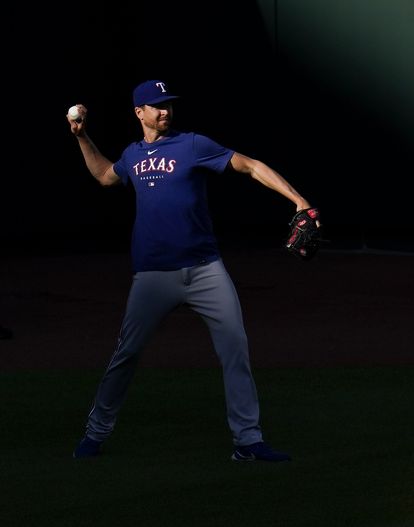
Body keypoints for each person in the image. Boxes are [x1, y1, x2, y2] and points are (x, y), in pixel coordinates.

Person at [66, 79, 315, 461]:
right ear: (139, 112)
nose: (165, 110)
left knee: (235, 348)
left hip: (205, 270)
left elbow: (249, 166)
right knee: (126, 353)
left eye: (168, 104)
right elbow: (104, 175)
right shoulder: (132, 155)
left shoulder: (193, 145)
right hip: (152, 274)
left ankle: (248, 442)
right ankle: (95, 434)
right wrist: (83, 137)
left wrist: (298, 200)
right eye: (157, 105)